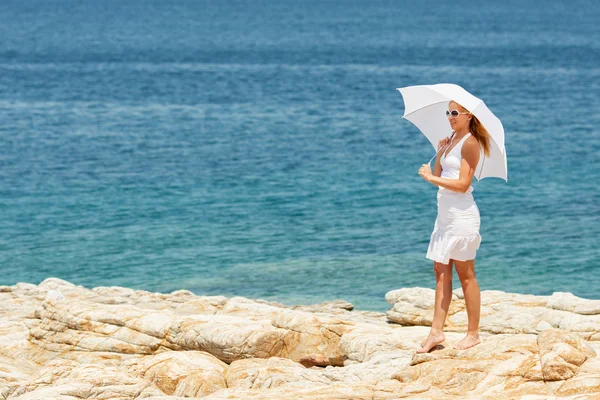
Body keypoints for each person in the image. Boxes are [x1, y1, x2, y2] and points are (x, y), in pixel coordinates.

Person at [416, 100, 492, 353]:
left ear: (469, 116)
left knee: (465, 274)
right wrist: (440, 152)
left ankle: (473, 334)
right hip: (445, 216)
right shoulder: (452, 141)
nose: (450, 117)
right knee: (440, 271)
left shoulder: (471, 143)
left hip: (462, 216)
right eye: (448, 112)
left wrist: (430, 177)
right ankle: (436, 332)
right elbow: (441, 173)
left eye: (455, 112)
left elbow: (462, 184)